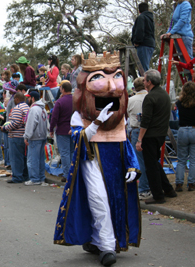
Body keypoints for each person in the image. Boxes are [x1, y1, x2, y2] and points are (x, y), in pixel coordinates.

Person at [54, 52, 141, 267]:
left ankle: (96, 240)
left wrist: (132, 165)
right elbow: (78, 140)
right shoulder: (78, 116)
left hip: (115, 165)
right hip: (91, 161)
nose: (111, 87)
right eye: (99, 78)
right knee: (98, 202)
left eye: (116, 77)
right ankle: (107, 247)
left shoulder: (121, 118)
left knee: (115, 203)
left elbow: (125, 142)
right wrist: (95, 123)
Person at [136, 69, 177, 204]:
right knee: (155, 163)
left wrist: (139, 139)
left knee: (151, 167)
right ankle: (168, 189)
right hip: (160, 134)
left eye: (145, 79)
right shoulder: (164, 94)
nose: (143, 81)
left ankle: (158, 195)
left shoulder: (150, 97)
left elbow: (145, 121)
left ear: (149, 82)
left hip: (150, 135)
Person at [127, 77, 152, 199]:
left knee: (140, 160)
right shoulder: (151, 97)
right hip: (151, 130)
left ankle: (143, 188)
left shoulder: (131, 100)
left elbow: (126, 114)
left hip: (137, 130)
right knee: (151, 159)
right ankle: (150, 186)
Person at [1, 92, 29, 184]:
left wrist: (5, 128)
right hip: (23, 135)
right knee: (23, 157)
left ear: (17, 99)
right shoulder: (27, 107)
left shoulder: (17, 108)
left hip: (15, 136)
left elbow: (16, 123)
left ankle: (17, 176)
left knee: (16, 158)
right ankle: (25, 175)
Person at [50, 82, 74, 182]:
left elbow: (54, 117)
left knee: (64, 153)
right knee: (72, 152)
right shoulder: (75, 101)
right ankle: (73, 172)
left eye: (60, 88)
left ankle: (66, 174)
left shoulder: (60, 102)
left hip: (62, 130)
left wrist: (51, 129)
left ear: (63, 89)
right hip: (73, 129)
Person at [23, 91, 48, 185]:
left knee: (33, 159)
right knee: (40, 159)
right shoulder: (43, 109)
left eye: (28, 98)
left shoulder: (34, 109)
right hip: (42, 136)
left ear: (32, 98)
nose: (27, 100)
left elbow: (30, 124)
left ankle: (34, 178)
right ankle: (41, 177)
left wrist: (26, 136)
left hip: (35, 137)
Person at [175, 81, 195, 192]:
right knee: (193, 160)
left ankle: (179, 183)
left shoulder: (179, 103)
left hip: (182, 130)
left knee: (181, 160)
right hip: (194, 129)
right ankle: (191, 183)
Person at [131, 2, 155, 72]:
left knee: (143, 69)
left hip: (143, 44)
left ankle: (145, 82)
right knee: (145, 66)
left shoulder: (141, 18)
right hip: (150, 44)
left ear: (139, 11)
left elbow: (140, 30)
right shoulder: (150, 19)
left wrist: (137, 41)